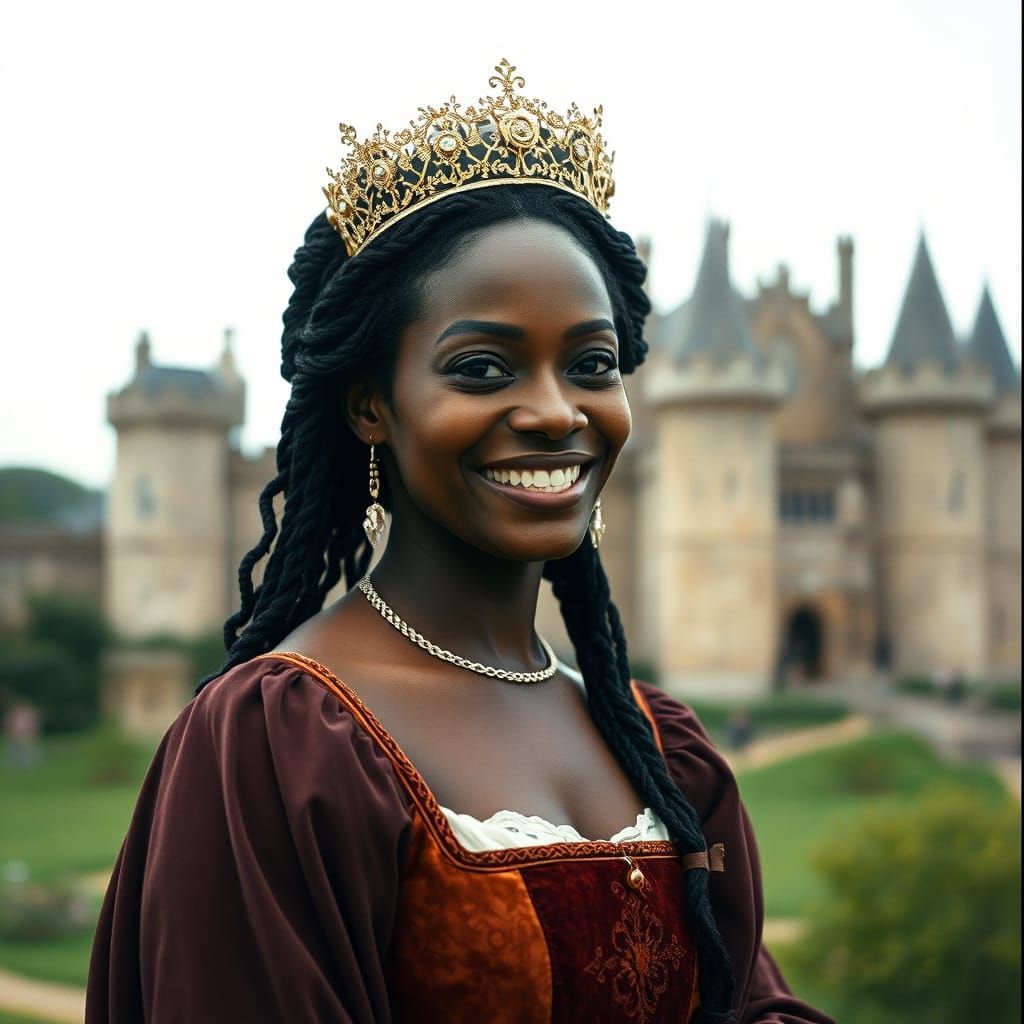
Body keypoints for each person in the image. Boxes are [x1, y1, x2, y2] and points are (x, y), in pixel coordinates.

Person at [87, 61, 832, 1023]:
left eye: (592, 365)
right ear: (369, 406)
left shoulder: (660, 747)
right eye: (481, 367)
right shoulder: (278, 744)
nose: (558, 412)